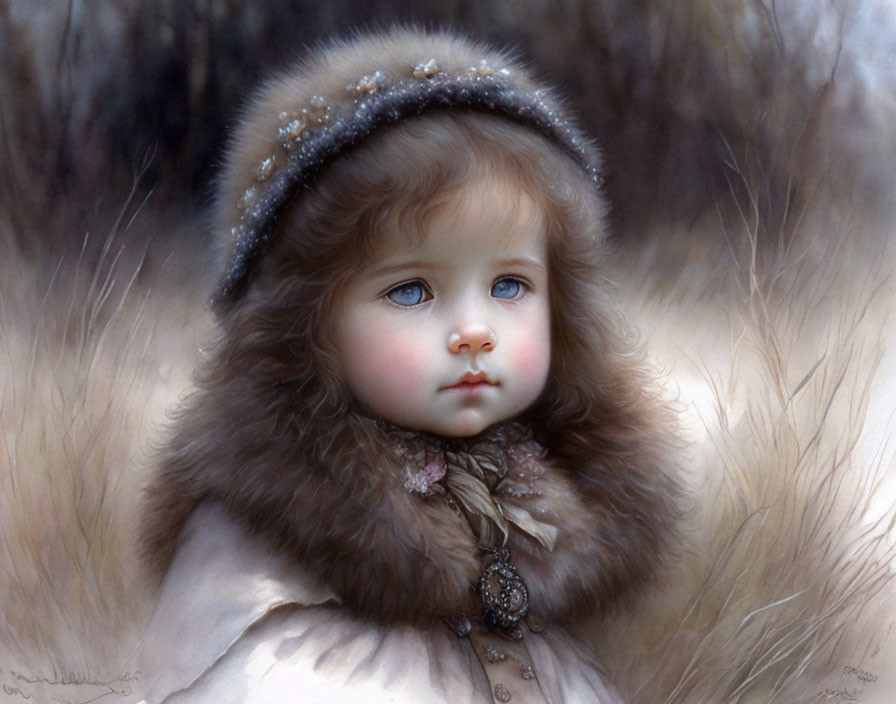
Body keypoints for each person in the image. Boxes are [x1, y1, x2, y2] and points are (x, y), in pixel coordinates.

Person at [129, 29, 679, 703]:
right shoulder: (257, 543)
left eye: (509, 285)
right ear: (306, 330)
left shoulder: (542, 493)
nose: (475, 333)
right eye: (411, 291)